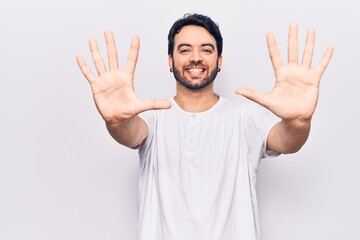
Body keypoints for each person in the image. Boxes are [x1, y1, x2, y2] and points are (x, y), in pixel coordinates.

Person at [76, 13, 333, 240]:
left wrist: (299, 121)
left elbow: (288, 141)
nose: (196, 58)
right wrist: (115, 120)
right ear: (170, 60)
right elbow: (129, 133)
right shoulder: (154, 118)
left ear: (219, 61)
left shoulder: (243, 117)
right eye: (185, 49)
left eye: (206, 50)